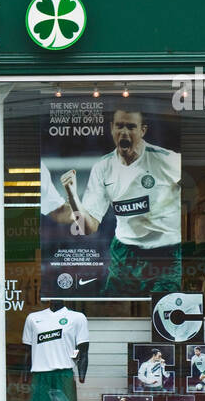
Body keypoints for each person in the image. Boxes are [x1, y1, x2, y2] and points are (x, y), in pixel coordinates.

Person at [48, 106, 182, 295]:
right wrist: (72, 195)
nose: (124, 132)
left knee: (162, 310)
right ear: (111, 128)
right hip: (124, 254)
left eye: (131, 127)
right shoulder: (103, 167)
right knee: (112, 308)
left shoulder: (166, 160)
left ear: (142, 130)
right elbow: (88, 227)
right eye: (119, 126)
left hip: (164, 253)